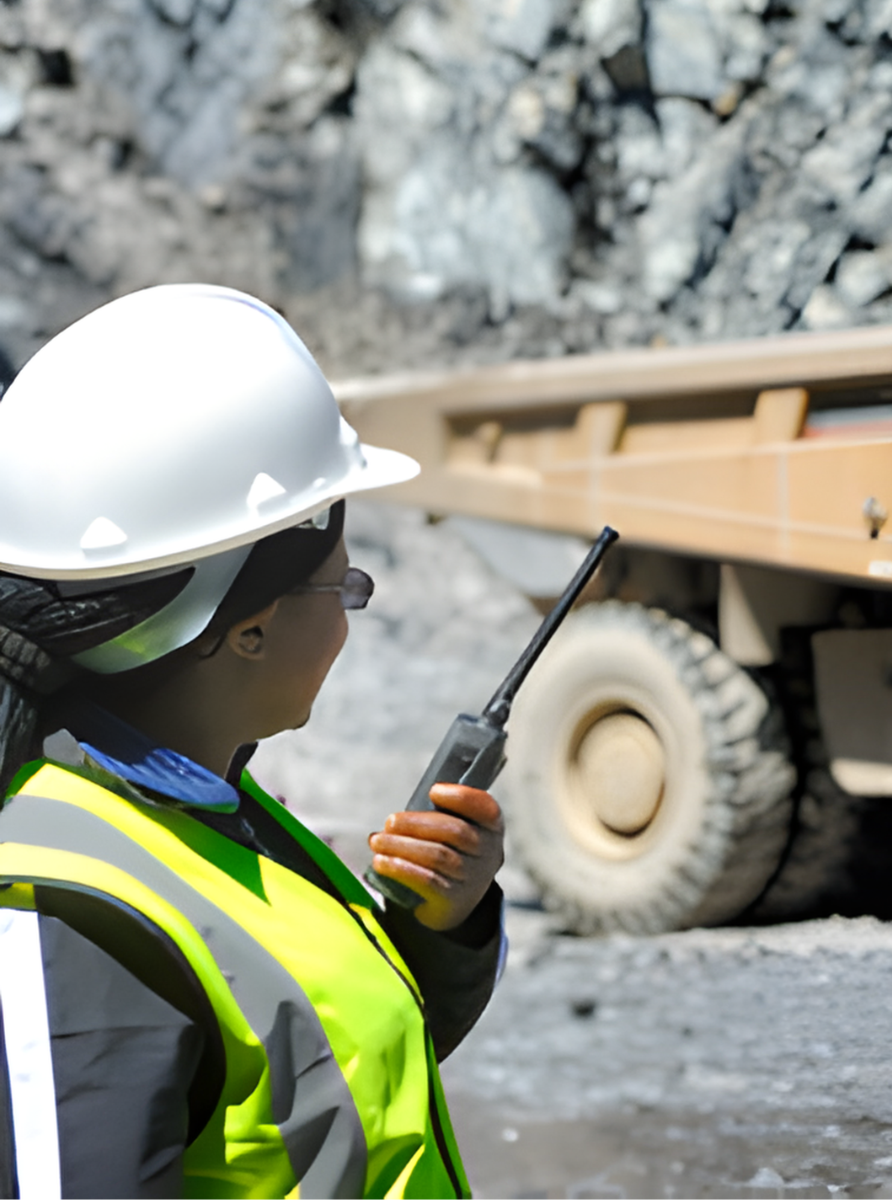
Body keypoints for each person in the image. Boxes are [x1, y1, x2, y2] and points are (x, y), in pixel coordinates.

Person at [0, 284, 506, 1199]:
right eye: (346, 588)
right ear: (250, 628)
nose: (352, 615)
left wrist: (441, 932)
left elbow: (327, 1085)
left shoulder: (197, 811)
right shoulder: (70, 913)